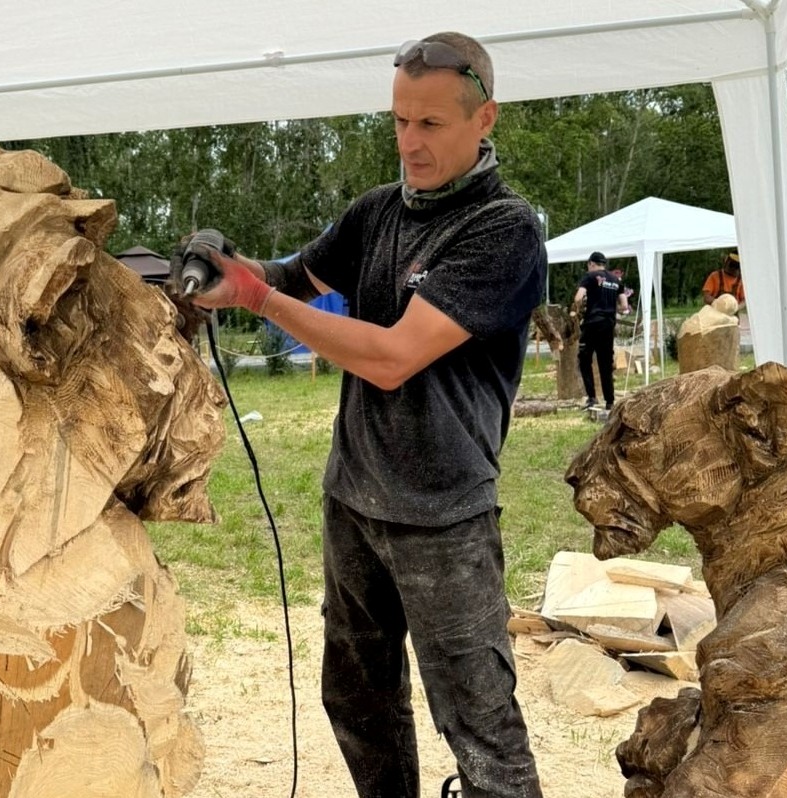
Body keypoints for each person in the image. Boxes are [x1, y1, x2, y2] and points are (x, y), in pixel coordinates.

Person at [172, 31, 544, 798]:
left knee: (478, 724)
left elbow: (390, 356)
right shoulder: (376, 213)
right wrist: (230, 273)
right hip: (355, 498)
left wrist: (258, 298)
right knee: (357, 696)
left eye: (432, 124)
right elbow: (293, 277)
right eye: (400, 121)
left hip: (442, 513)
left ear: (485, 119)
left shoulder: (504, 230)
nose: (410, 142)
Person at [571, 251, 629, 410]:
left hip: (591, 323)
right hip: (608, 324)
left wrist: (578, 309)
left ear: (591, 263)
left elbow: (578, 297)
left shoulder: (589, 277)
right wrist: (610, 308)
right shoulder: (615, 280)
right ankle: (610, 401)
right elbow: (624, 306)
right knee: (605, 363)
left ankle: (592, 397)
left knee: (584, 359)